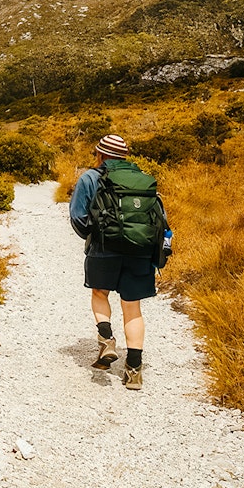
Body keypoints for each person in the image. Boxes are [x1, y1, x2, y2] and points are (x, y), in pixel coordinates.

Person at [69, 134, 165, 390]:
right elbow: (159, 218)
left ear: (100, 155)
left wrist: (95, 235)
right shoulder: (143, 180)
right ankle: (133, 370)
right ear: (124, 157)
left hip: (104, 249)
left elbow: (78, 218)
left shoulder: (90, 178)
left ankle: (106, 340)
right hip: (140, 251)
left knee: (100, 293)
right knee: (132, 307)